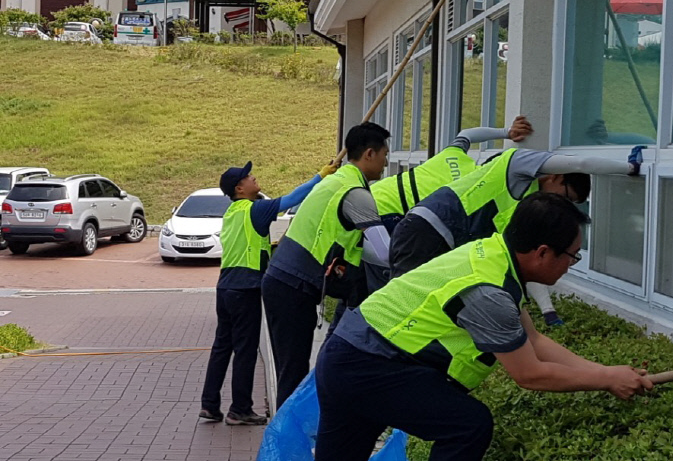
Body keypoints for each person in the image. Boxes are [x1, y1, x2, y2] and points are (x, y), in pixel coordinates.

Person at [314, 192, 653, 460]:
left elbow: (533, 341)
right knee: (468, 426)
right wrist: (606, 379)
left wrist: (608, 373)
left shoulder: (493, 256)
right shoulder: (489, 293)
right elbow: (530, 374)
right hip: (368, 365)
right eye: (572, 256)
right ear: (543, 253)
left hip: (348, 354)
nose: (571, 266)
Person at [388, 145, 644, 325]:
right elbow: (582, 164)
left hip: (445, 244)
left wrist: (548, 312)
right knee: (402, 308)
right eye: (566, 198)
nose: (562, 206)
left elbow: (530, 265)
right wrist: (629, 168)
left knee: (426, 314)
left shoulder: (527, 208)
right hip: (427, 231)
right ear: (556, 176)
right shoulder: (517, 164)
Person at [261, 122, 391, 409]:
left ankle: (290, 434)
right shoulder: (356, 194)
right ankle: (285, 444)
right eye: (384, 155)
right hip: (292, 285)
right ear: (369, 154)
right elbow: (384, 252)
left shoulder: (337, 181)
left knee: (291, 369)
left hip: (285, 282)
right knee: (292, 373)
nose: (385, 163)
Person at [199, 159, 337, 425]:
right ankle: (239, 409)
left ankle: (209, 404)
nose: (254, 178)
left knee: (222, 347)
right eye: (248, 177)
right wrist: (320, 175)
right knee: (246, 350)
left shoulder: (232, 212)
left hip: (225, 286)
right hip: (246, 287)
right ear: (239, 188)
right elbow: (293, 199)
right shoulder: (256, 209)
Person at [363, 116, 534, 294]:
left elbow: (467, 134)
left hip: (371, 199)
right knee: (391, 290)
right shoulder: (472, 191)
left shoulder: (454, 155)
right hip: (388, 218)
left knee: (360, 288)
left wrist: (507, 132)